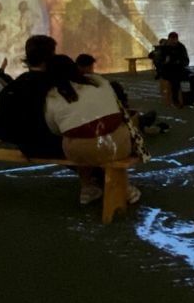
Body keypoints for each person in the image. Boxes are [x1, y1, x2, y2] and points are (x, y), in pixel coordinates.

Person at [43, 54, 140, 206]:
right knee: (112, 135)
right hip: (114, 144)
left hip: (78, 151)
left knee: (77, 141)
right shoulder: (99, 81)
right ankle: (125, 188)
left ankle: (87, 188)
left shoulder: (52, 96)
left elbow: (54, 128)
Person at [0, 35, 64, 158]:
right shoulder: (57, 86)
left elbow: (3, 132)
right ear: (50, 56)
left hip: (26, 147)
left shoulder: (14, 86)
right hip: (54, 146)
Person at [76, 53, 162, 134]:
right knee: (145, 116)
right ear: (88, 67)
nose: (92, 69)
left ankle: (140, 124)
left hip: (90, 117)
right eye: (91, 67)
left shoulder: (76, 82)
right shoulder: (93, 81)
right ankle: (141, 126)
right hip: (102, 117)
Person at [159, 32, 194, 106]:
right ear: (169, 39)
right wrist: (165, 61)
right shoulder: (163, 48)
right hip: (167, 70)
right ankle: (175, 100)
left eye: (175, 41)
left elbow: (186, 61)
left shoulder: (181, 47)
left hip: (180, 68)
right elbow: (159, 61)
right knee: (175, 79)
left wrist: (180, 61)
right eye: (172, 41)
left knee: (192, 77)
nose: (173, 43)